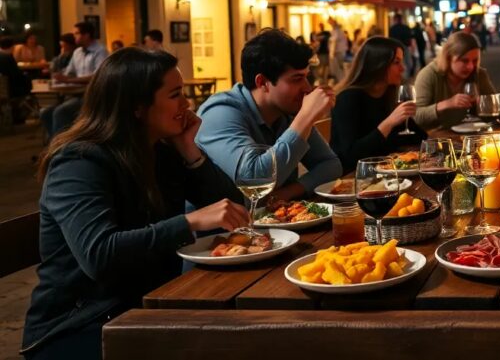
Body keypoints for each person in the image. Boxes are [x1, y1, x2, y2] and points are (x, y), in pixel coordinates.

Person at [21, 48, 247, 360]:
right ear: (138, 107)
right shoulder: (78, 161)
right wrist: (190, 221)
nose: (187, 104)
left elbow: (236, 209)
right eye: (175, 95)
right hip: (80, 327)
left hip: (149, 308)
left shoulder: (162, 153)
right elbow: (100, 255)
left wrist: (190, 152)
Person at [196, 29, 341, 203]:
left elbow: (331, 165)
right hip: (223, 230)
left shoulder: (286, 111)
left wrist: (284, 194)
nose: (307, 88)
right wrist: (306, 117)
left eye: (306, 77)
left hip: (273, 223)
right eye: (296, 79)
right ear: (262, 82)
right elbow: (255, 180)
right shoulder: (220, 112)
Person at [330, 37, 426, 173]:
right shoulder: (347, 99)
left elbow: (418, 136)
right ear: (378, 65)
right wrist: (389, 122)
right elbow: (351, 155)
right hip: (355, 178)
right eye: (396, 62)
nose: (403, 68)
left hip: (386, 172)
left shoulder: (389, 95)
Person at [413, 31, 497, 130]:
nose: (470, 66)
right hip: (435, 138)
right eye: (464, 61)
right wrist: (447, 104)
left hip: (470, 135)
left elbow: (495, 109)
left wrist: (481, 104)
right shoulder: (429, 75)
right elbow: (417, 117)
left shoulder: (479, 74)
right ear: (448, 58)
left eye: (474, 61)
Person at [41, 21, 109, 138]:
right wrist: (58, 75)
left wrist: (69, 80)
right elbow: (69, 72)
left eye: (76, 33)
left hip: (92, 97)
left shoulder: (100, 51)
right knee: (45, 112)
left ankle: (62, 150)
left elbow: (98, 76)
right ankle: (54, 146)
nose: (74, 36)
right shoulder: (77, 52)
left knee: (60, 112)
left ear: (86, 35)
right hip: (74, 94)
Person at [0, 36, 32, 117]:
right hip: (10, 90)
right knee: (27, 82)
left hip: (3, 90)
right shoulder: (8, 58)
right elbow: (17, 76)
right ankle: (20, 114)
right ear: (13, 46)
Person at [388, 13, 414, 78]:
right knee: (408, 62)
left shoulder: (392, 29)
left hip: (396, 48)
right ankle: (406, 76)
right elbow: (410, 38)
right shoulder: (406, 27)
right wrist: (412, 47)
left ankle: (401, 77)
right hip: (405, 46)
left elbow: (390, 39)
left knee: (398, 62)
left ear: (395, 19)